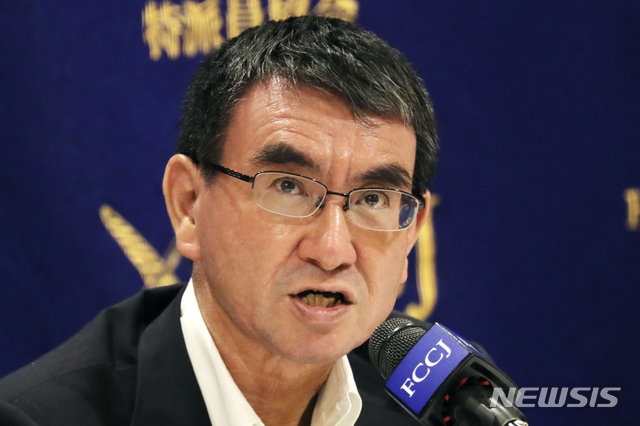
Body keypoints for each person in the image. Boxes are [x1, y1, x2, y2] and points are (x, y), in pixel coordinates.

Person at [0, 15, 438, 425]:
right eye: (288, 187)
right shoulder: (39, 418)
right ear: (189, 205)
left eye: (374, 198)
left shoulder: (445, 400)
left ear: (410, 235)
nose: (332, 251)